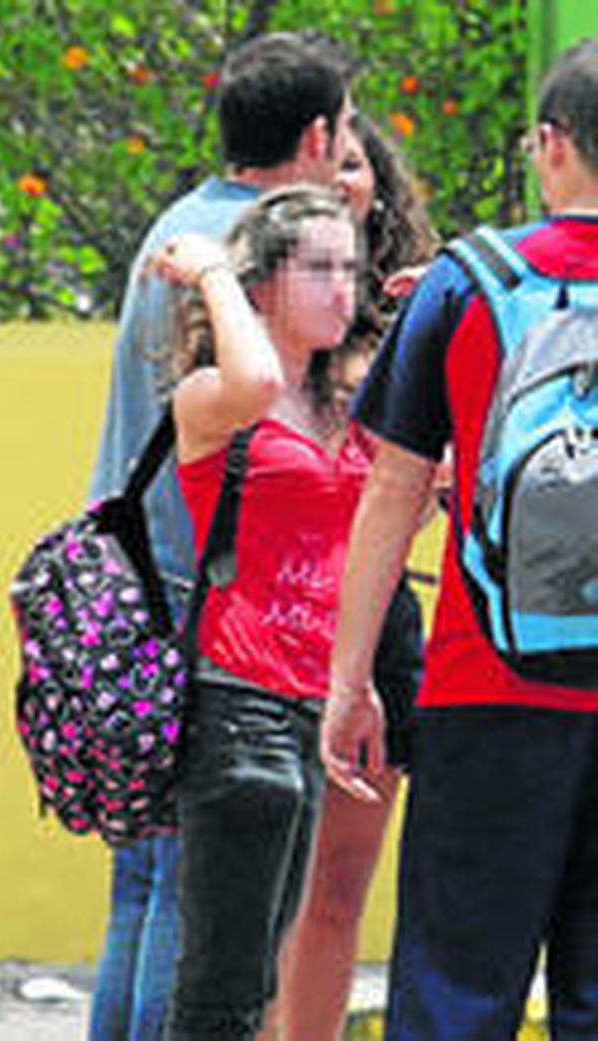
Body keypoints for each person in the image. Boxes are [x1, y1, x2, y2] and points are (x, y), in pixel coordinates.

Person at [323, 39, 598, 1039]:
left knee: (456, 991)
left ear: (551, 143)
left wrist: (349, 681)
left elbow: (391, 493)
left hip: (487, 681)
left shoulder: (467, 281)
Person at [81, 33, 353, 1041]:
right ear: (316, 135)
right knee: (195, 903)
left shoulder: (180, 223)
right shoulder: (248, 251)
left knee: (143, 882)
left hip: (134, 587)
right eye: (345, 133)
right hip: (206, 605)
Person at [148, 184, 362, 1041]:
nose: (344, 289)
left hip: (311, 708)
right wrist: (211, 273)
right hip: (240, 703)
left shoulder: (340, 406)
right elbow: (259, 376)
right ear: (264, 283)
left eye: (351, 269)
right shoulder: (213, 396)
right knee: (221, 993)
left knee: (256, 985)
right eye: (321, 269)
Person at [271, 111, 437, 1041]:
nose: (339, 179)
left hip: (374, 625)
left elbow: (437, 484)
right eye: (324, 161)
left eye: (354, 164)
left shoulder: (421, 313)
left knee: (337, 888)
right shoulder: (248, 317)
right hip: (263, 627)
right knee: (260, 888)